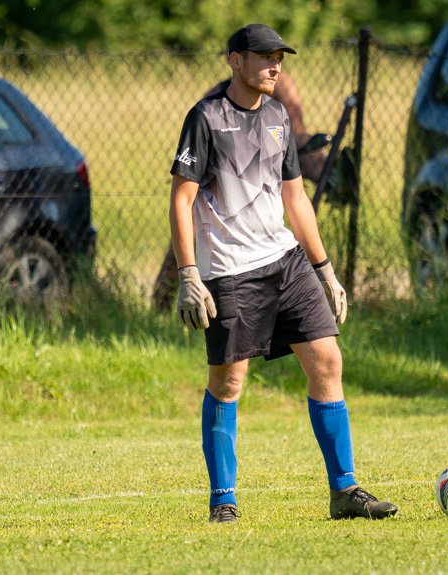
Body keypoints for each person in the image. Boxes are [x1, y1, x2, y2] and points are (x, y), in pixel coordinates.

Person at [168, 23, 398, 523]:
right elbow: (181, 199)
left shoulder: (276, 116)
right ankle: (223, 500)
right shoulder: (205, 118)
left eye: (281, 57)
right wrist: (190, 274)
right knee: (229, 382)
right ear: (236, 61)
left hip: (287, 262)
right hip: (230, 271)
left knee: (327, 361)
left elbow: (295, 197)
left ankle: (344, 491)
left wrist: (326, 270)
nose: (276, 66)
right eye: (266, 56)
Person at [153, 65, 328, 312]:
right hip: (216, 182)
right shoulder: (213, 100)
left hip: (262, 178)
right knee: (186, 234)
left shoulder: (281, 87)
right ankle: (160, 306)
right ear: (236, 62)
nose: (272, 66)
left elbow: (295, 135)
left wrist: (321, 168)